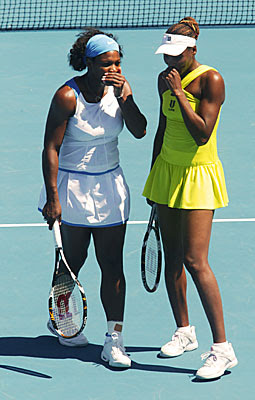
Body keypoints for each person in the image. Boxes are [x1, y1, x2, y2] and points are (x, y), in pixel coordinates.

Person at [39, 28, 147, 368]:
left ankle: (114, 340)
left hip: (111, 186)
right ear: (88, 63)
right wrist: (53, 197)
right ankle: (65, 323)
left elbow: (140, 129)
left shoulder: (120, 90)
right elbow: (51, 148)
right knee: (72, 261)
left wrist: (125, 96)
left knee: (112, 263)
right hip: (72, 188)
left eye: (116, 62)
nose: (112, 69)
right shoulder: (66, 97)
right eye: (105, 63)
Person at [142, 17, 238, 380]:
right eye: (166, 55)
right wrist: (154, 180)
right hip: (167, 173)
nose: (170, 62)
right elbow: (163, 130)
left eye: (177, 55)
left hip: (199, 175)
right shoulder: (162, 79)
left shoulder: (211, 79)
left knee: (196, 260)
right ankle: (184, 331)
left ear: (193, 50)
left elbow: (201, 133)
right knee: (173, 259)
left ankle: (222, 349)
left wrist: (180, 94)